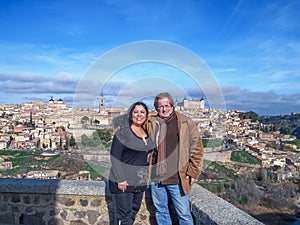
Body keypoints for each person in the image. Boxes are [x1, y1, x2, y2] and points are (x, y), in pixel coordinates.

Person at [145, 92, 204, 225]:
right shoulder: (152, 123)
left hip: (177, 177)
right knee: (161, 212)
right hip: (156, 177)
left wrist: (193, 172)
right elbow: (137, 120)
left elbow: (197, 149)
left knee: (183, 214)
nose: (164, 109)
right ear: (156, 108)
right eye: (160, 106)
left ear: (172, 106)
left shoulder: (185, 122)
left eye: (167, 105)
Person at [109, 101, 155, 225]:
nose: (139, 115)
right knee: (123, 216)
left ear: (146, 115)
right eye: (136, 112)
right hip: (123, 182)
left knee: (133, 213)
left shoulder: (146, 133)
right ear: (131, 114)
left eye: (142, 112)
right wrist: (121, 179)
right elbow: (115, 157)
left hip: (139, 182)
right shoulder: (123, 133)